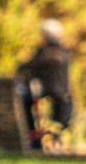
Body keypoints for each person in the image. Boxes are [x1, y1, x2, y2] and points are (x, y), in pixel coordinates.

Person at [16, 20, 75, 151]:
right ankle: (57, 135)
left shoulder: (44, 52)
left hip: (45, 91)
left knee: (24, 101)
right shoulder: (64, 52)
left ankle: (34, 138)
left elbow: (26, 66)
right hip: (63, 95)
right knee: (63, 108)